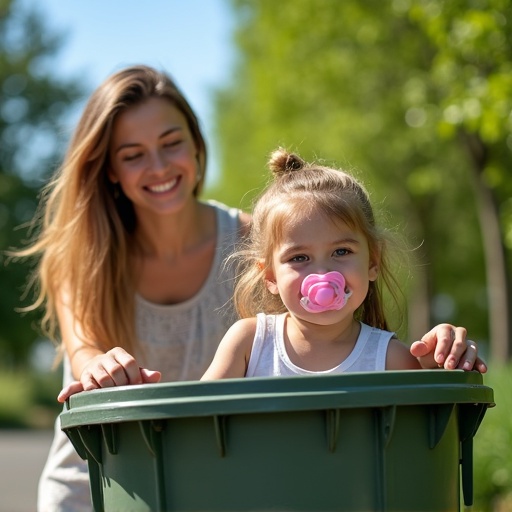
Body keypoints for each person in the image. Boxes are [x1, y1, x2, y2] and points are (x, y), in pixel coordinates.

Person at [16, 65, 484, 511]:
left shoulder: (270, 232)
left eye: (171, 142)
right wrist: (102, 368)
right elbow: (88, 356)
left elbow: (403, 399)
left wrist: (440, 357)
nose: (158, 166)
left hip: (220, 489)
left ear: (198, 147)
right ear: (111, 170)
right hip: (104, 483)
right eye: (133, 154)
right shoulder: (86, 260)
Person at [201, 148, 486, 380]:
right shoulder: (250, 345)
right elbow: (194, 421)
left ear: (373, 260)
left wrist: (444, 364)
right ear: (271, 277)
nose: (323, 274)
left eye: (341, 252)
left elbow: (431, 434)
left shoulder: (390, 359)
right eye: (299, 258)